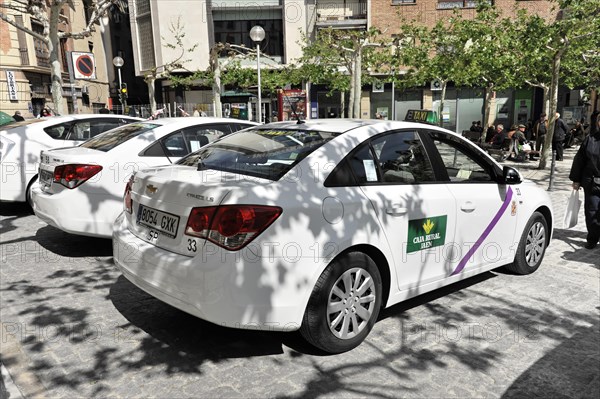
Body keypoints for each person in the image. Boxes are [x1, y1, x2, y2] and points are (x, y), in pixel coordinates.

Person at [569, 116, 600, 249]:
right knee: (591, 212)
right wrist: (576, 179)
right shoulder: (590, 139)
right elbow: (579, 160)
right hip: (592, 182)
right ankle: (592, 238)